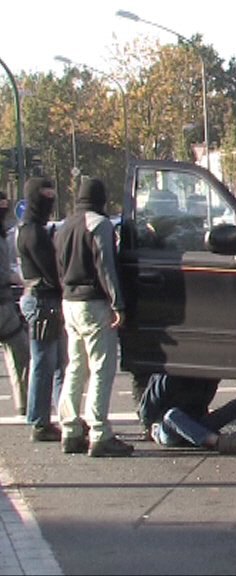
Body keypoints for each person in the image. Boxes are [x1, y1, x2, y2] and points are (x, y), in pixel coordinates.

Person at [54, 177, 133, 457]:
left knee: (76, 366)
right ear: (100, 199)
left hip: (69, 302)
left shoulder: (64, 226)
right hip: (94, 303)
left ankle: (70, 429)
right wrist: (117, 303)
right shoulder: (99, 225)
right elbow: (106, 267)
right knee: (102, 367)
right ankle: (99, 432)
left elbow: (59, 267)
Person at [17, 177, 68, 442]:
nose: (50, 199)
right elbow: (50, 270)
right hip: (42, 301)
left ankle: (61, 416)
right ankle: (39, 421)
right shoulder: (33, 233)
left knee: (57, 363)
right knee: (45, 363)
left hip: (42, 300)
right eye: (45, 195)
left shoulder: (30, 229)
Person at [137, 373, 236, 455]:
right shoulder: (169, 376)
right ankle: (222, 443)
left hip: (197, 423)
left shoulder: (209, 376)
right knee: (172, 415)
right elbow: (146, 410)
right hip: (169, 428)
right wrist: (148, 427)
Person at [0, 191, 30, 417]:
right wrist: (12, 278)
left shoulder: (4, 235)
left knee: (19, 353)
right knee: (19, 353)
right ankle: (24, 403)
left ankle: (24, 404)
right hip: (3, 304)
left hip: (5, 304)